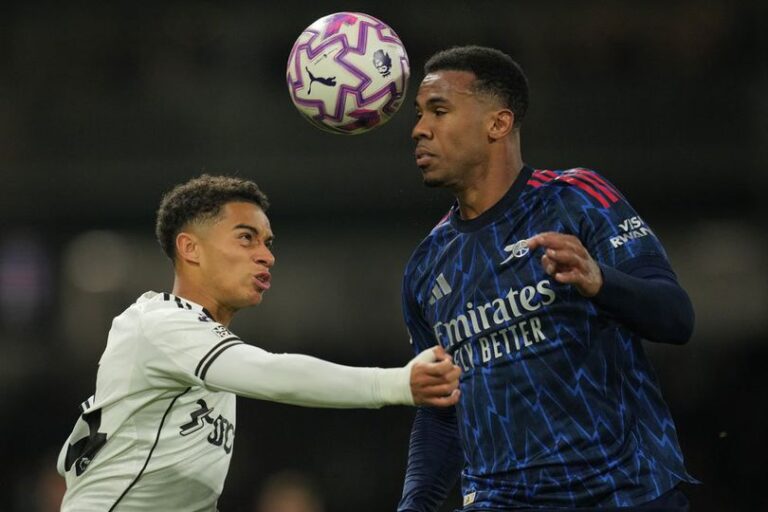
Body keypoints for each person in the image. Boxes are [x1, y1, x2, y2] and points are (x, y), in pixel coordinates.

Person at [398, 46, 696, 512]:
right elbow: (440, 412)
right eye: (419, 114)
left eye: (439, 110)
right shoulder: (426, 266)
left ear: (498, 123)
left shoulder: (575, 199)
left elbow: (676, 318)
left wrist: (600, 281)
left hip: (623, 493)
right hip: (499, 500)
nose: (418, 129)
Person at [56, 175, 461, 511]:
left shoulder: (201, 348)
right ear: (190, 248)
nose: (266, 256)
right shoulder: (161, 322)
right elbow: (274, 372)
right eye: (246, 238)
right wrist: (395, 384)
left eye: (268, 243)